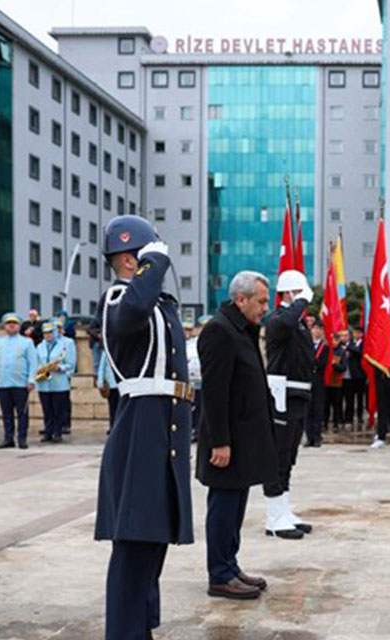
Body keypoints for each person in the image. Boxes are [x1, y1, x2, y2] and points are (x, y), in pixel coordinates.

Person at [95, 215, 194, 640]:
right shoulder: (119, 299)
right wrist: (153, 264)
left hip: (164, 425)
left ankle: (141, 629)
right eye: (150, 256)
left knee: (152, 541)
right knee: (134, 546)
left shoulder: (154, 303)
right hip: (140, 429)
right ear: (132, 260)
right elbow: (132, 312)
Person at [197, 270, 277, 600]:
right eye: (261, 301)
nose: (266, 307)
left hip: (243, 438)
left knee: (236, 506)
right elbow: (215, 393)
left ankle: (230, 564)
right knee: (223, 506)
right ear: (240, 299)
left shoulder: (241, 329)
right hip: (227, 441)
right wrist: (220, 442)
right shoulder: (219, 331)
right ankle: (219, 574)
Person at [263, 269, 314, 539]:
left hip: (298, 393)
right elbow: (284, 325)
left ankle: (283, 510)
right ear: (288, 293)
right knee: (278, 456)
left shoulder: (297, 321)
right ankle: (274, 517)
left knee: (289, 457)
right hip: (282, 395)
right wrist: (300, 301)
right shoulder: (277, 319)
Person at [0, 313, 38, 448]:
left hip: (20, 383)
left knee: (22, 413)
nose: (11, 325)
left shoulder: (27, 342)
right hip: (3, 382)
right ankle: (8, 438)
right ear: (5, 326)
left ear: (19, 326)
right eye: (8, 323)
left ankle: (22, 438)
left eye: (14, 323)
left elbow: (33, 362)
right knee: (6, 414)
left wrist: (31, 380)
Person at [35, 322, 75, 443]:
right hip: (44, 383)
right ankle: (48, 432)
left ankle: (57, 432)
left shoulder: (65, 345)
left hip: (59, 382)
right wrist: (39, 371)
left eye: (50, 332)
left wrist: (60, 368)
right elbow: (36, 362)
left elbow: (71, 364)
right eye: (45, 333)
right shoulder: (40, 346)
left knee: (58, 409)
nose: (48, 335)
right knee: (47, 409)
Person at [305, 321, 329, 448]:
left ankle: (317, 437)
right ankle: (309, 438)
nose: (317, 331)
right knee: (307, 409)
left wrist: (312, 362)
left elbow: (322, 363)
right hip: (308, 378)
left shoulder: (325, 346)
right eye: (315, 328)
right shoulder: (307, 344)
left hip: (319, 380)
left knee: (318, 409)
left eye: (320, 329)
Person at [325, 328, 348, 433]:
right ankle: (324, 422)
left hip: (336, 382)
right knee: (325, 403)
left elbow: (343, 367)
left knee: (337, 404)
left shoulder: (341, 352)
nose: (333, 342)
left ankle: (337, 423)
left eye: (335, 340)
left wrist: (335, 365)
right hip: (326, 381)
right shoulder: (326, 350)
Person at [344, 326, 366, 429]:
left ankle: (360, 416)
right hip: (350, 375)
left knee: (360, 398)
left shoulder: (364, 343)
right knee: (349, 398)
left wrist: (348, 346)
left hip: (360, 375)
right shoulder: (352, 344)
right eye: (355, 333)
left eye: (358, 333)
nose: (356, 335)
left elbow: (359, 352)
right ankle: (349, 417)